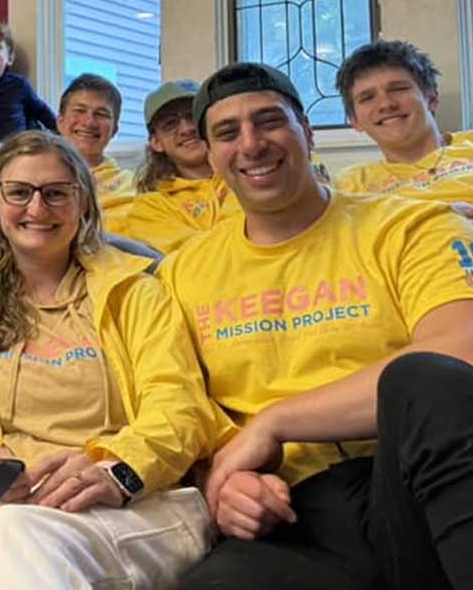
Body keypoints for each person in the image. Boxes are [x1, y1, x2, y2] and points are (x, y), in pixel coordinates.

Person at [161, 63, 473, 590]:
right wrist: (223, 478)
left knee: (424, 379)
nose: (253, 144)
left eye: (269, 122)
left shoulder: (407, 226)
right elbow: (177, 408)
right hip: (289, 516)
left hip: (414, 481)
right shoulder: (179, 272)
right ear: (211, 157)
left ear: (306, 133)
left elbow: (461, 351)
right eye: (228, 133)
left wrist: (274, 421)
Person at [0, 131, 216, 590]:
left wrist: (118, 470)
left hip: (134, 503)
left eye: (57, 193)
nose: (37, 209)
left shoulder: (137, 293)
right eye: (19, 193)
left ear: (84, 205)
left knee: (11, 537)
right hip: (6, 508)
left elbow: (179, 406)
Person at [334, 39, 473, 204]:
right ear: (354, 120)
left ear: (431, 99)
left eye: (399, 89)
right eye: (367, 98)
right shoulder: (351, 186)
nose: (386, 104)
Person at [122, 80, 238, 253]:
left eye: (193, 116)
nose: (187, 129)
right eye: (170, 123)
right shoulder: (149, 209)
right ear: (156, 142)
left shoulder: (253, 171)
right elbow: (204, 259)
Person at [56, 74, 134, 231]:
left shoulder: (133, 185)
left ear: (114, 130)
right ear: (60, 122)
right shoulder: (32, 173)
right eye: (79, 110)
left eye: (101, 114)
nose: (89, 122)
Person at [0, 19, 56, 145]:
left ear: (10, 58)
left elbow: (43, 112)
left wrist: (62, 138)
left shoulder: (18, 85)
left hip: (16, 150)